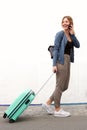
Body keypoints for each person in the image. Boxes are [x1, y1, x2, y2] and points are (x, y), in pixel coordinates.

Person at [42, 16, 80, 117]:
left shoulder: (71, 35)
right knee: (59, 85)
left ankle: (48, 102)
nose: (64, 23)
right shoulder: (60, 34)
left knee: (65, 86)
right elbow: (56, 49)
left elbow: (78, 45)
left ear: (70, 23)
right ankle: (57, 109)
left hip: (68, 60)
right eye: (63, 22)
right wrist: (54, 64)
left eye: (66, 21)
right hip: (60, 60)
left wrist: (73, 34)